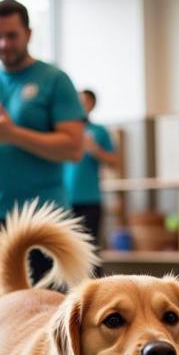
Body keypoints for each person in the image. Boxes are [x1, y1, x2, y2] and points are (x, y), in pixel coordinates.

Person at [0, 0, 85, 312]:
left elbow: (73, 147)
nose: (3, 44)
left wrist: (12, 134)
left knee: (49, 310)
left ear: (28, 33)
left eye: (11, 36)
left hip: (45, 215)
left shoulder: (54, 80)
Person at [64, 89, 118, 247]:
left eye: (85, 101)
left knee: (90, 250)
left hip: (90, 199)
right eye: (78, 100)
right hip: (64, 200)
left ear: (92, 105)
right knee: (66, 251)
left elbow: (114, 161)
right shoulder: (63, 132)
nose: (80, 105)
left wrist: (95, 149)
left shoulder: (99, 132)